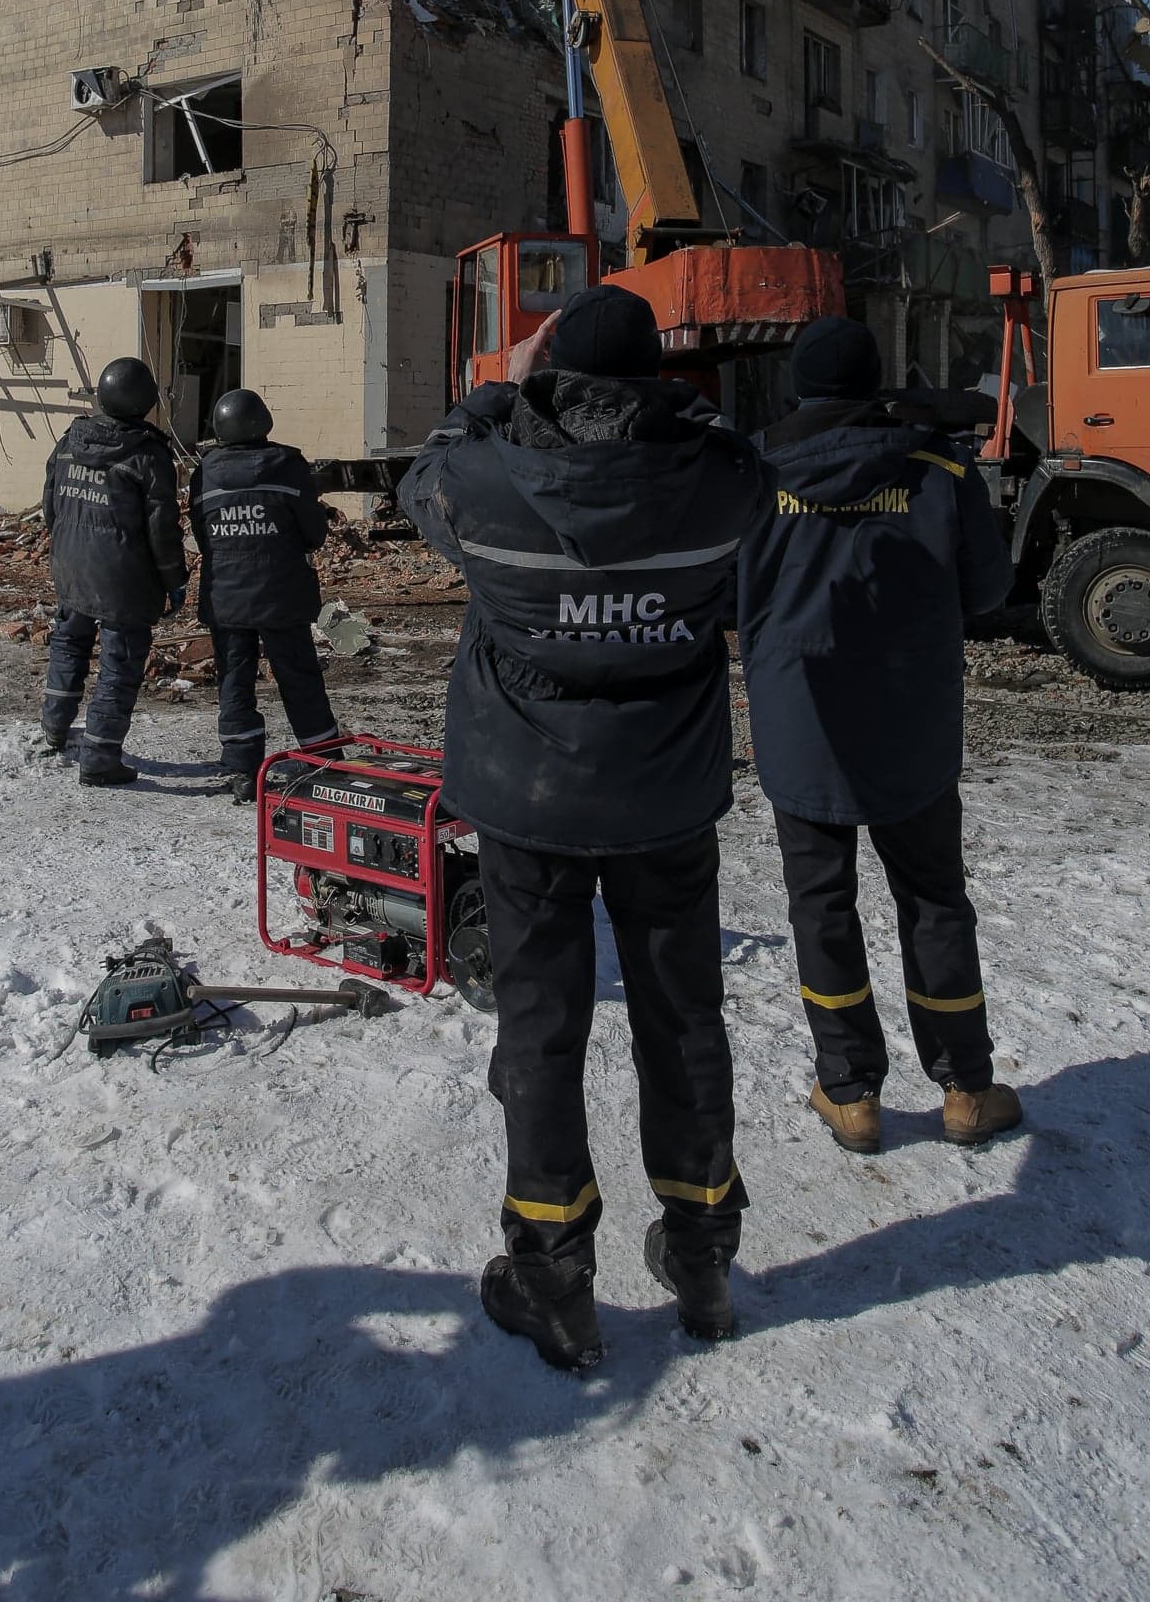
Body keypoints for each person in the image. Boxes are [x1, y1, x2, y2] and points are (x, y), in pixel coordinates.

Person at [400, 283, 770, 1369]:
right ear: (660, 379)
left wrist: (493, 397)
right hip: (664, 797)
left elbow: (422, 472)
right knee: (682, 1018)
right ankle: (701, 1249)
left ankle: (553, 1274)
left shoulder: (481, 482)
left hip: (527, 801)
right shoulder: (715, 484)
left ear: (550, 376)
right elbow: (744, 461)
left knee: (541, 1026)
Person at [736, 314, 1020, 1154]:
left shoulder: (754, 475)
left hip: (799, 723)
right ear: (874, 382)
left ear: (798, 387)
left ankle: (849, 1092)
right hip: (911, 724)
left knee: (819, 905)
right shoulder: (935, 466)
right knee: (933, 900)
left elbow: (722, 595)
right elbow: (987, 588)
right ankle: (966, 1087)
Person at [189, 388, 345, 801]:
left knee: (234, 681)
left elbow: (202, 536)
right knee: (299, 678)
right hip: (283, 597)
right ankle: (323, 759)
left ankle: (243, 768)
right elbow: (314, 533)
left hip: (226, 598)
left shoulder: (203, 473)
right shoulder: (288, 468)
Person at [40, 356, 187, 788]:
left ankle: (54, 726)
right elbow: (162, 530)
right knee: (119, 663)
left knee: (69, 642)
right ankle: (101, 756)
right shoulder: (147, 454)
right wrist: (174, 579)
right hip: (125, 580)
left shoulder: (69, 441)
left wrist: (67, 550)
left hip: (72, 568)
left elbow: (51, 506)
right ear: (146, 401)